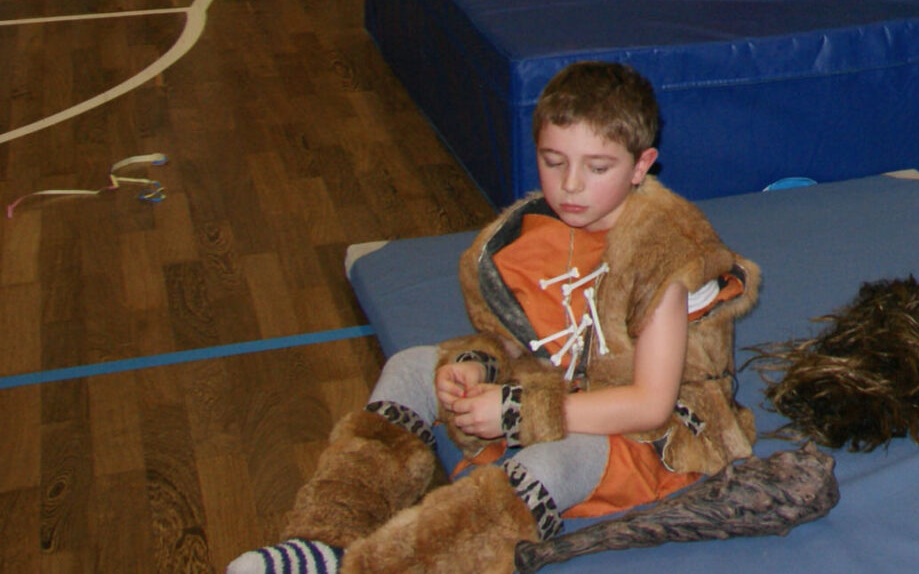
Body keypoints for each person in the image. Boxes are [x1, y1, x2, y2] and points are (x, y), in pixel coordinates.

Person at [225, 62, 759, 574]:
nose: (571, 185)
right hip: (557, 392)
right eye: (554, 161)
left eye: (598, 168)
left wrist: (514, 412)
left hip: (653, 440)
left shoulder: (665, 256)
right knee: (414, 367)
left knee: (546, 467)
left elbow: (649, 405)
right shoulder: (532, 233)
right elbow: (520, 340)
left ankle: (374, 567)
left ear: (642, 166)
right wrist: (477, 365)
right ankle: (327, 535)